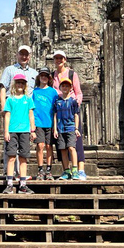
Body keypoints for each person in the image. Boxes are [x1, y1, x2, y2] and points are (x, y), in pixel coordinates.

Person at [0, 45, 38, 175]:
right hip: (12, 108)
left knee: (24, 144)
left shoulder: (34, 73)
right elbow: (3, 88)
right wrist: (4, 108)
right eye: (21, 54)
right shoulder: (9, 70)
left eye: (26, 54)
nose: (24, 57)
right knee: (9, 141)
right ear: (17, 54)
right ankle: (9, 173)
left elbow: (37, 91)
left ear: (30, 56)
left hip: (27, 110)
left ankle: (22, 174)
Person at [52, 50, 86, 179]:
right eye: (56, 58)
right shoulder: (52, 75)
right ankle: (66, 170)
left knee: (76, 142)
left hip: (71, 111)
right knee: (61, 144)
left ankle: (80, 170)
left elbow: (79, 92)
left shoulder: (72, 74)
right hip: (59, 112)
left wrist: (74, 104)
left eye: (61, 58)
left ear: (65, 59)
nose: (59, 60)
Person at [3, 74, 36, 194]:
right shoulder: (10, 99)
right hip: (12, 131)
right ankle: (10, 184)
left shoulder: (28, 99)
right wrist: (6, 131)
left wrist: (33, 130)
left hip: (25, 131)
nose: (20, 85)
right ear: (14, 84)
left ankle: (23, 184)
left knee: (23, 157)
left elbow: (31, 115)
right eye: (18, 83)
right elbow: (7, 116)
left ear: (25, 85)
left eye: (22, 83)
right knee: (11, 157)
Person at [54, 77, 81, 180]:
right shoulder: (57, 101)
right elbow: (55, 115)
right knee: (63, 150)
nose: (65, 87)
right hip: (60, 128)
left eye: (67, 86)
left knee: (71, 148)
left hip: (70, 127)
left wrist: (76, 128)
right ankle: (66, 170)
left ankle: (74, 169)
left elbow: (76, 115)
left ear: (70, 88)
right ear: (60, 87)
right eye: (63, 86)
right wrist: (55, 129)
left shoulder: (73, 101)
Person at [32, 67, 57, 180]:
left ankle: (48, 169)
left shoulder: (53, 91)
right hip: (38, 122)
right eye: (42, 75)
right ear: (39, 77)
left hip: (50, 122)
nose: (44, 77)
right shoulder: (35, 91)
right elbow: (31, 109)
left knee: (48, 146)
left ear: (49, 78)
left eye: (46, 76)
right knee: (40, 145)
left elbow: (56, 108)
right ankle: (40, 169)